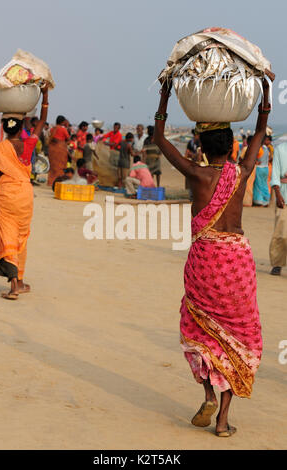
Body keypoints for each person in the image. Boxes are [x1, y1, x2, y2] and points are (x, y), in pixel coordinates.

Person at [154, 70, 274, 437]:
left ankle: (208, 392)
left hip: (204, 261)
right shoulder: (241, 172)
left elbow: (160, 138)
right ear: (232, 147)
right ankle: (222, 420)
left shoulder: (195, 173)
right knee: (237, 333)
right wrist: (265, 95)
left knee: (200, 328)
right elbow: (258, 133)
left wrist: (166, 95)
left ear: (202, 147)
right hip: (236, 263)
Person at [0, 86, 49, 300]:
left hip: (6, 195)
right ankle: (20, 281)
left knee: (6, 234)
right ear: (22, 126)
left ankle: (14, 285)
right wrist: (45, 94)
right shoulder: (29, 144)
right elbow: (41, 122)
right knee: (21, 236)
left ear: (3, 126)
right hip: (24, 196)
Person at [269, 142, 287, 276]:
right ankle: (277, 264)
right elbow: (275, 172)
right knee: (280, 233)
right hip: (284, 197)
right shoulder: (280, 149)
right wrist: (278, 193)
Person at [47, 115, 70, 186]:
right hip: (60, 150)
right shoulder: (63, 129)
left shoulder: (52, 129)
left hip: (52, 150)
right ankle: (58, 181)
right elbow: (68, 139)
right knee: (60, 166)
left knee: (53, 166)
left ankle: (51, 182)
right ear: (63, 122)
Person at [253, 139, 270, 206]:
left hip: (259, 168)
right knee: (264, 184)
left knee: (258, 185)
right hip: (266, 168)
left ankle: (259, 201)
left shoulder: (259, 149)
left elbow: (255, 158)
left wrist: (255, 162)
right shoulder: (267, 149)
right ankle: (266, 200)